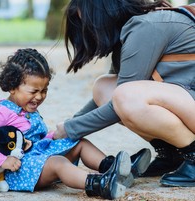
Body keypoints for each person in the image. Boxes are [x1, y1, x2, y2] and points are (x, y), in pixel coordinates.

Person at [54, 0, 195, 187]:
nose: (86, 31)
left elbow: (120, 104)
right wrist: (64, 130)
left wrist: (71, 129)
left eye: (87, 23)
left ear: (102, 15)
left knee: (127, 97)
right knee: (104, 87)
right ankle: (172, 154)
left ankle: (192, 153)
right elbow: (106, 99)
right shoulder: (129, 34)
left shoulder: (145, 28)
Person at [0, 48, 141, 200]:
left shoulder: (26, 108)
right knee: (58, 162)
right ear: (12, 87)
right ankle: (99, 184)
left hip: (39, 158)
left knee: (78, 142)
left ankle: (114, 169)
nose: (39, 96)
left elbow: (35, 139)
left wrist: (52, 137)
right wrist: (1, 161)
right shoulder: (2, 112)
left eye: (44, 90)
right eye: (34, 91)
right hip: (21, 170)